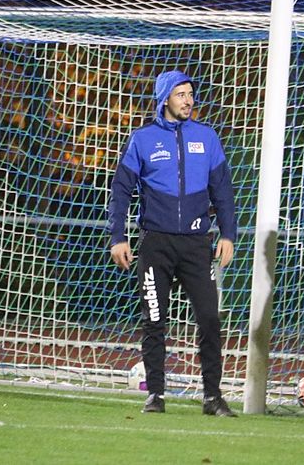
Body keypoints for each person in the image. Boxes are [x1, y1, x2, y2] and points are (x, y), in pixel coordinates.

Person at [108, 69, 238, 417]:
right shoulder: (142, 139)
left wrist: (228, 234)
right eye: (181, 94)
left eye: (191, 94)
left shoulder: (207, 137)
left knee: (209, 318)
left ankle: (213, 397)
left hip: (197, 244)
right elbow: (121, 190)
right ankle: (155, 395)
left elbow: (223, 192)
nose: (188, 100)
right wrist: (118, 237)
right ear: (164, 98)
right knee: (154, 320)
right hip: (156, 244)